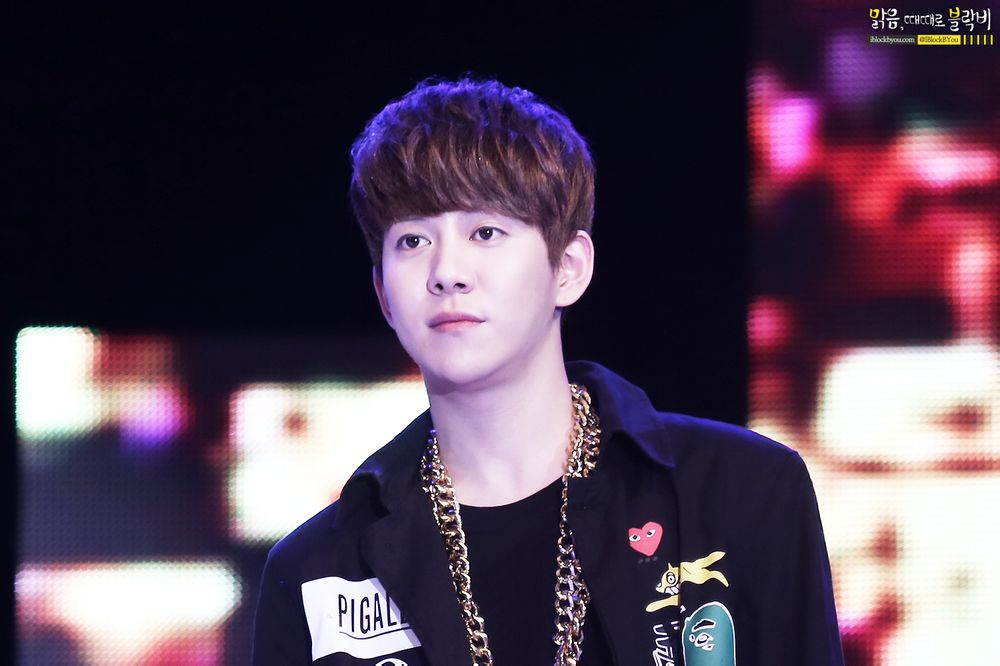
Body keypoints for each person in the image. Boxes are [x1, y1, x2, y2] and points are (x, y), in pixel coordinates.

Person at [252, 78, 844, 666]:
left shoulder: (745, 491)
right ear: (383, 294)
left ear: (569, 267)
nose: (447, 272)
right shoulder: (316, 570)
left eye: (485, 232)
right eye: (412, 241)